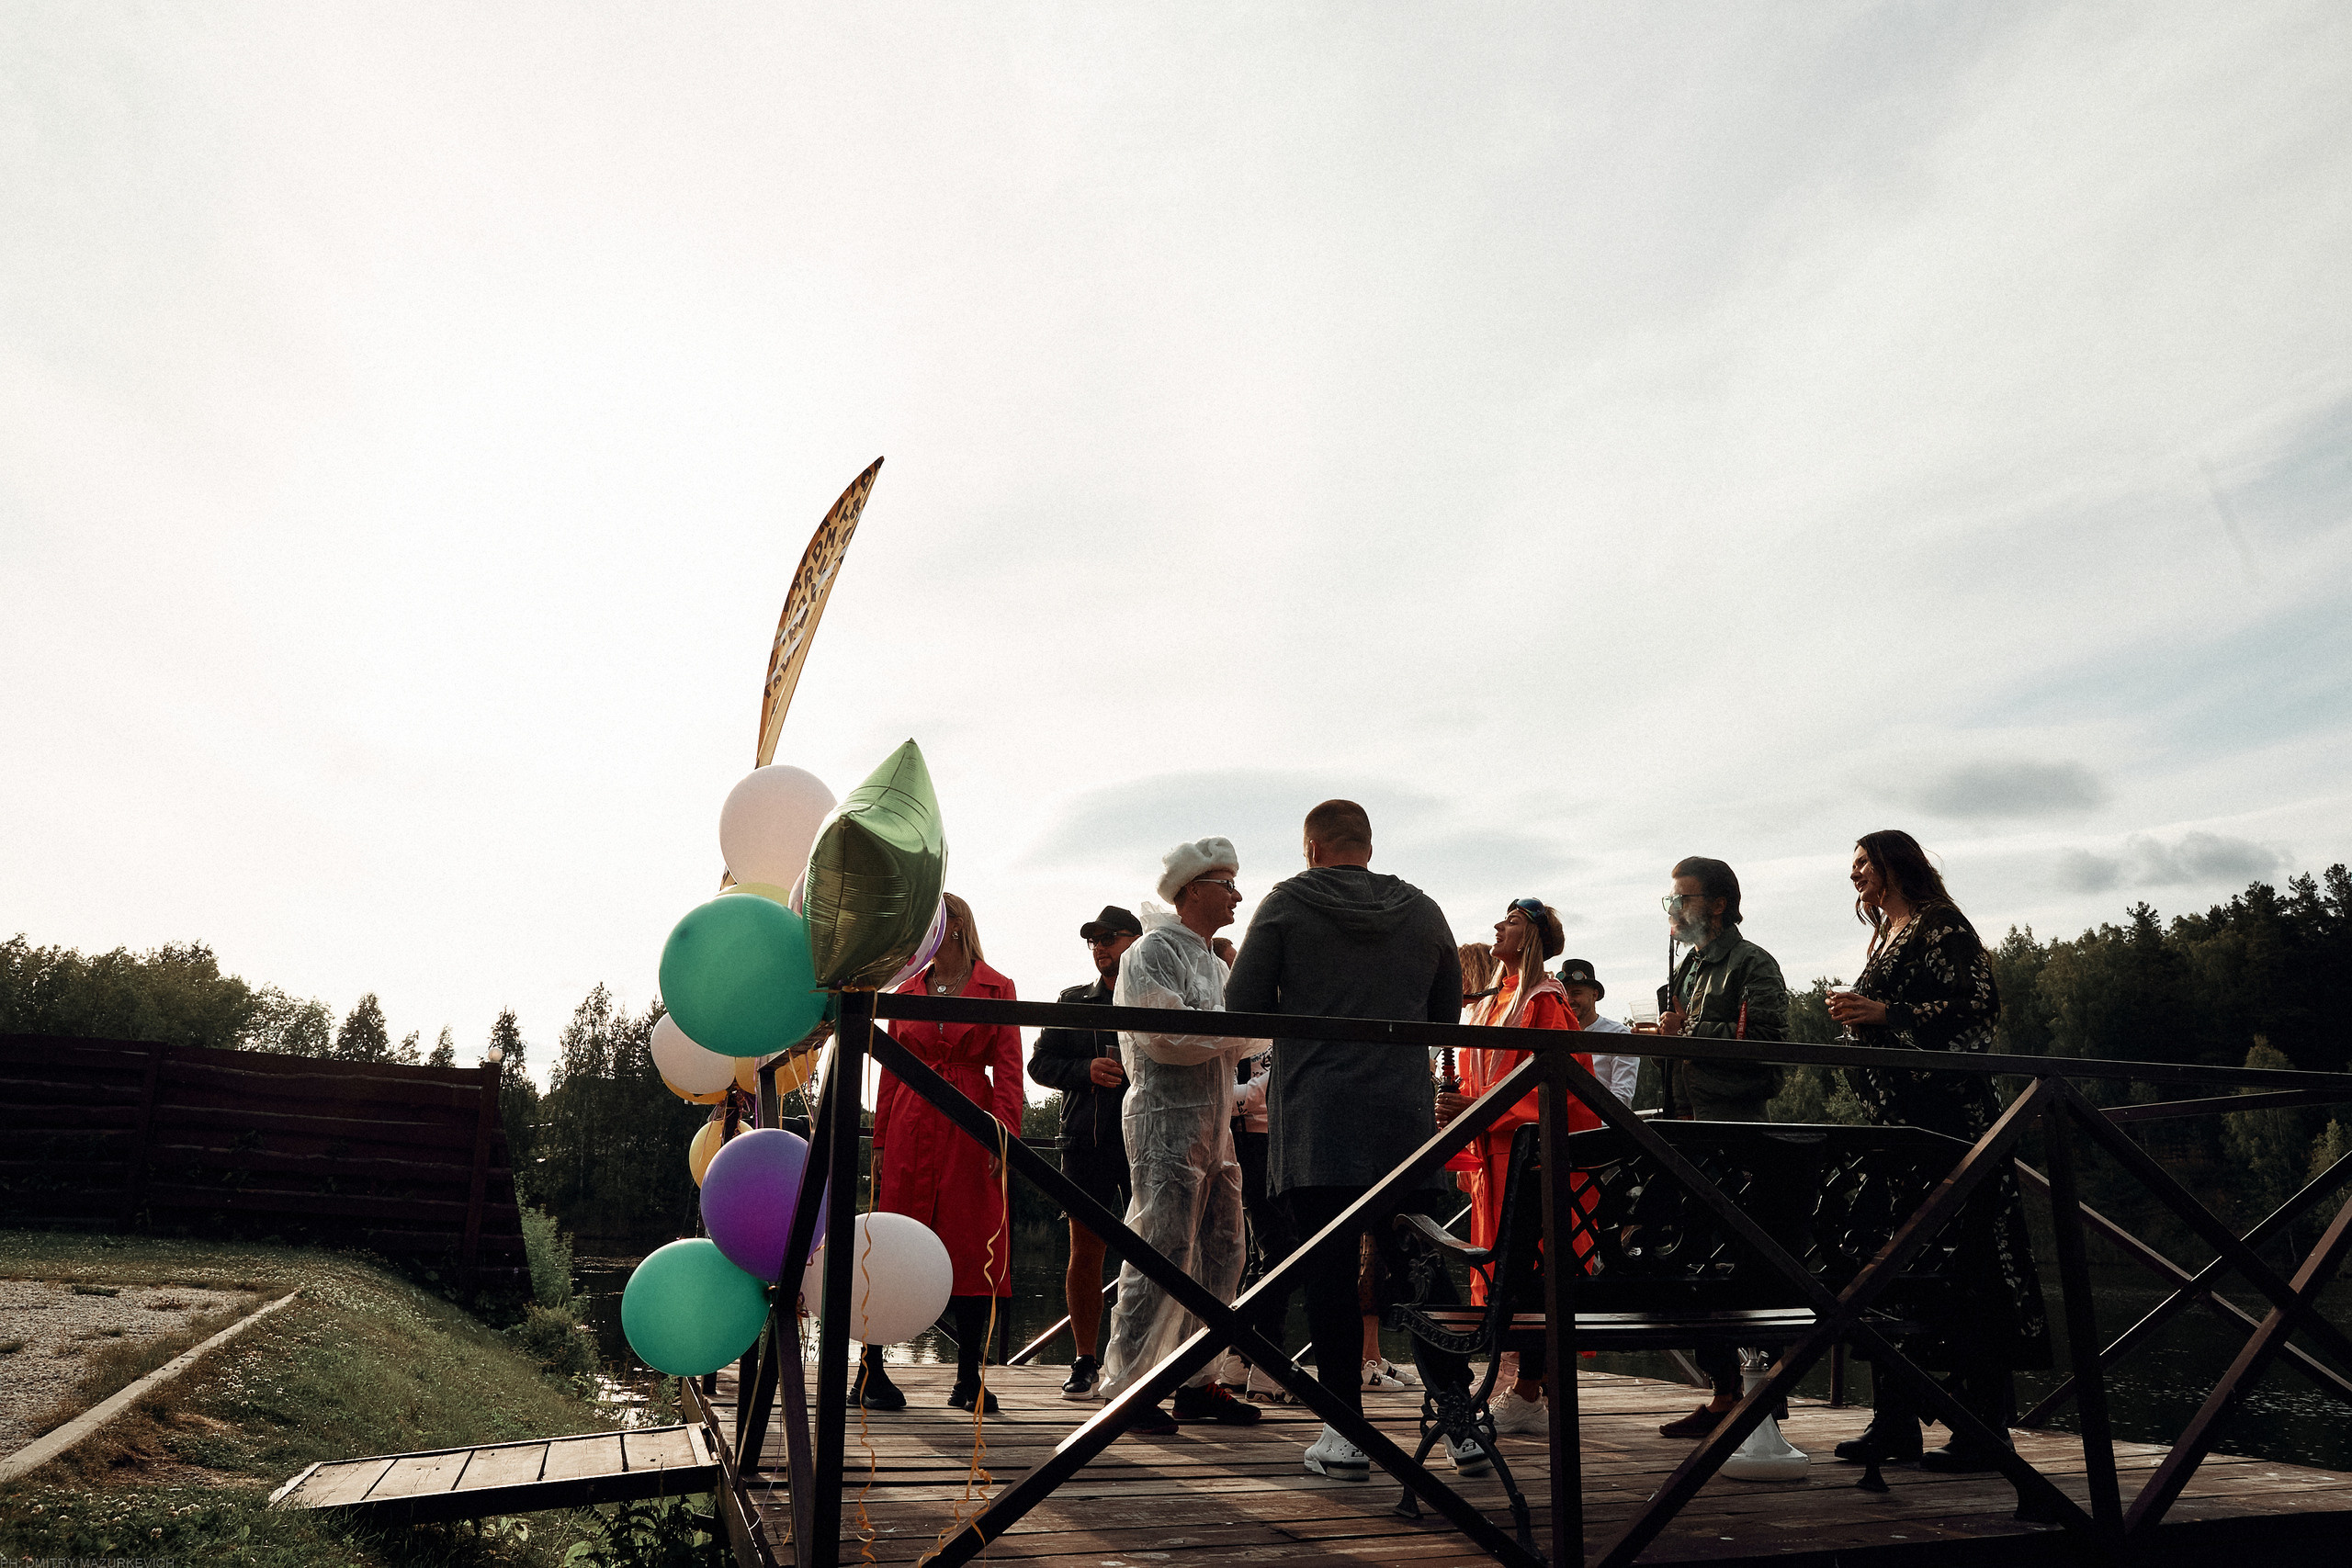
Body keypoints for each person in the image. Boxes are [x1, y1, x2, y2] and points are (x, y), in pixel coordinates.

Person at [1225, 799, 1487, 1483]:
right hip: (1401, 1120)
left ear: (1311, 846)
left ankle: (1344, 1434)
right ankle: (1462, 1426)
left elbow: (1241, 1005)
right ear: (1368, 844)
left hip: (1317, 1121)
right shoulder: (1424, 909)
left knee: (1330, 1277)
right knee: (1426, 1271)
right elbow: (1444, 1015)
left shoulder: (1287, 903)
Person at [1826, 830, 2051, 1472]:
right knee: (1891, 1274)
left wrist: (1884, 1010)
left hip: (1951, 1129)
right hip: (1897, 1136)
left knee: (1970, 1271)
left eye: (1864, 862)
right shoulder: (1886, 935)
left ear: (1897, 862)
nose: (1856, 874)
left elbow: (1978, 1011)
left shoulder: (1942, 925)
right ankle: (1896, 1423)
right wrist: (1859, 1015)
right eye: (1853, 865)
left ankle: (1982, 1431)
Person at [1097, 838, 1267, 1433]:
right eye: (1227, 882)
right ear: (1193, 888)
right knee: (1160, 1251)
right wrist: (1239, 1026)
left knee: (1226, 1249)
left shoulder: (1216, 965)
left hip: (1216, 1127)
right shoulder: (1150, 953)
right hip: (1165, 1124)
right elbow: (1164, 1036)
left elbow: (1238, 1038)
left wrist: (1254, 1023)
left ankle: (1198, 1379)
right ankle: (1128, 1387)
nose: (1238, 894)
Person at [1436, 899, 1600, 1436]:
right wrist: (1458, 1106)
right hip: (1494, 1158)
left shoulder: (1544, 1001)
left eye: (1507, 921)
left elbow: (1559, 1084)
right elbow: (1476, 1077)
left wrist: (1479, 1108)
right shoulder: (1492, 1002)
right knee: (1504, 1270)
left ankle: (1529, 1389)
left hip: (1528, 1156)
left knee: (1531, 1266)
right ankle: (1526, 1387)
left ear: (1528, 934)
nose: (1496, 928)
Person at [862, 894, 1021, 1415]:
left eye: (931, 923)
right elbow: (889, 1072)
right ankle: (872, 1371)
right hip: (910, 1121)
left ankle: (968, 1378)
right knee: (891, 1241)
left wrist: (1003, 1135)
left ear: (955, 928)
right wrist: (880, 1139)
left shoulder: (998, 987)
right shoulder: (905, 989)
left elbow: (1009, 1069)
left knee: (972, 1243)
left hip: (969, 1124)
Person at [1653, 856, 1790, 1438]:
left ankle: (1763, 1401)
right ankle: (1723, 1393)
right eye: (1672, 899)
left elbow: (1766, 1043)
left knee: (1746, 1265)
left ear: (1718, 903)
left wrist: (1686, 1034)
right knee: (1681, 1260)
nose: (1674, 909)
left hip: (1735, 1133)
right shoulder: (1686, 966)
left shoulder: (1753, 962)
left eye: (1682, 898)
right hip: (1687, 1127)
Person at [1027, 905, 1142, 1401]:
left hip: (1149, 1143)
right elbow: (1039, 1064)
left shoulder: (1159, 997)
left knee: (1159, 1253)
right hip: (1085, 1143)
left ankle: (1149, 1360)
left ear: (1137, 941)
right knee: (1086, 1252)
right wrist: (1084, 1070)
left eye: (1109, 938)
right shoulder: (1072, 1000)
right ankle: (1085, 1361)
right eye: (1092, 940)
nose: (1099, 946)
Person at [1559, 959, 1640, 1105]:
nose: (1569, 1000)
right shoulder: (1558, 1035)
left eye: (1576, 993)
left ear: (1594, 995)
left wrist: (1593, 1124)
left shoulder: (1618, 1035)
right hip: (1565, 1125)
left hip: (1604, 1126)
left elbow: (1622, 1096)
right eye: (1565, 994)